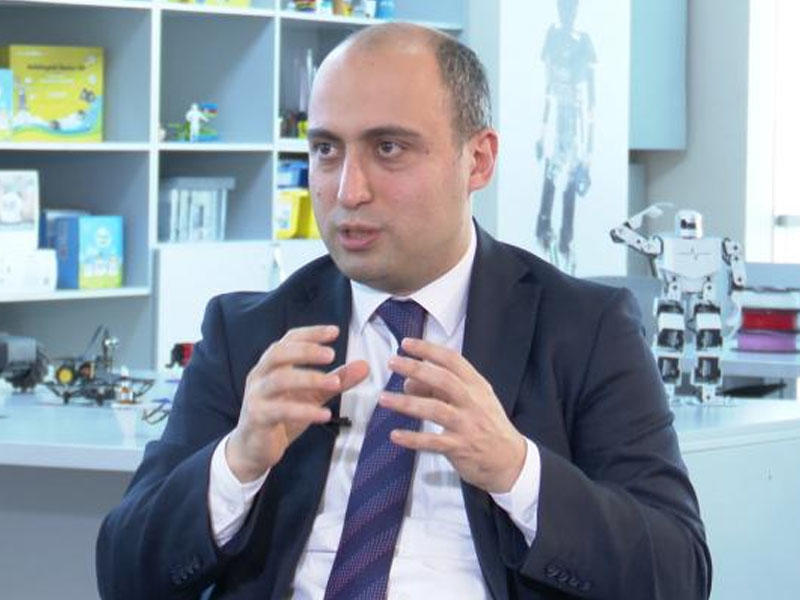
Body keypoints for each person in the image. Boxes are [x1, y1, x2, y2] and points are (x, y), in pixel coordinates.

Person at [96, 23, 711, 600]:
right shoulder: (250, 332)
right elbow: (125, 575)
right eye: (326, 150)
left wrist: (517, 470)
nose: (348, 191)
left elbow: (677, 574)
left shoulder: (584, 327)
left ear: (477, 160)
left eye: (388, 148)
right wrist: (237, 462)